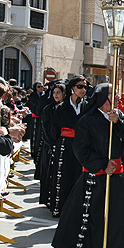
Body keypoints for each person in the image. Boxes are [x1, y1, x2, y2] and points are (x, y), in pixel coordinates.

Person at [52, 83, 124, 248]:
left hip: (116, 175)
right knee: (91, 215)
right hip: (96, 174)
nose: (118, 97)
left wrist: (118, 124)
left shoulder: (118, 116)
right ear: (102, 97)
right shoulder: (87, 120)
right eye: (113, 94)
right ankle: (85, 247)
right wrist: (102, 164)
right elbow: (81, 150)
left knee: (116, 214)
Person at [49, 76, 88, 217]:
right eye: (80, 86)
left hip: (82, 146)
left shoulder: (87, 107)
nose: (83, 89)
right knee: (64, 176)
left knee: (80, 176)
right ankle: (62, 208)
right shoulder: (61, 108)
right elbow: (53, 129)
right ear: (72, 88)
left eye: (85, 87)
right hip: (65, 145)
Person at [39, 82, 65, 207]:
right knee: (48, 172)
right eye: (54, 93)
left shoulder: (66, 108)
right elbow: (46, 127)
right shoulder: (48, 109)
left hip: (62, 144)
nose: (56, 95)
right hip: (50, 144)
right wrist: (51, 142)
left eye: (58, 92)